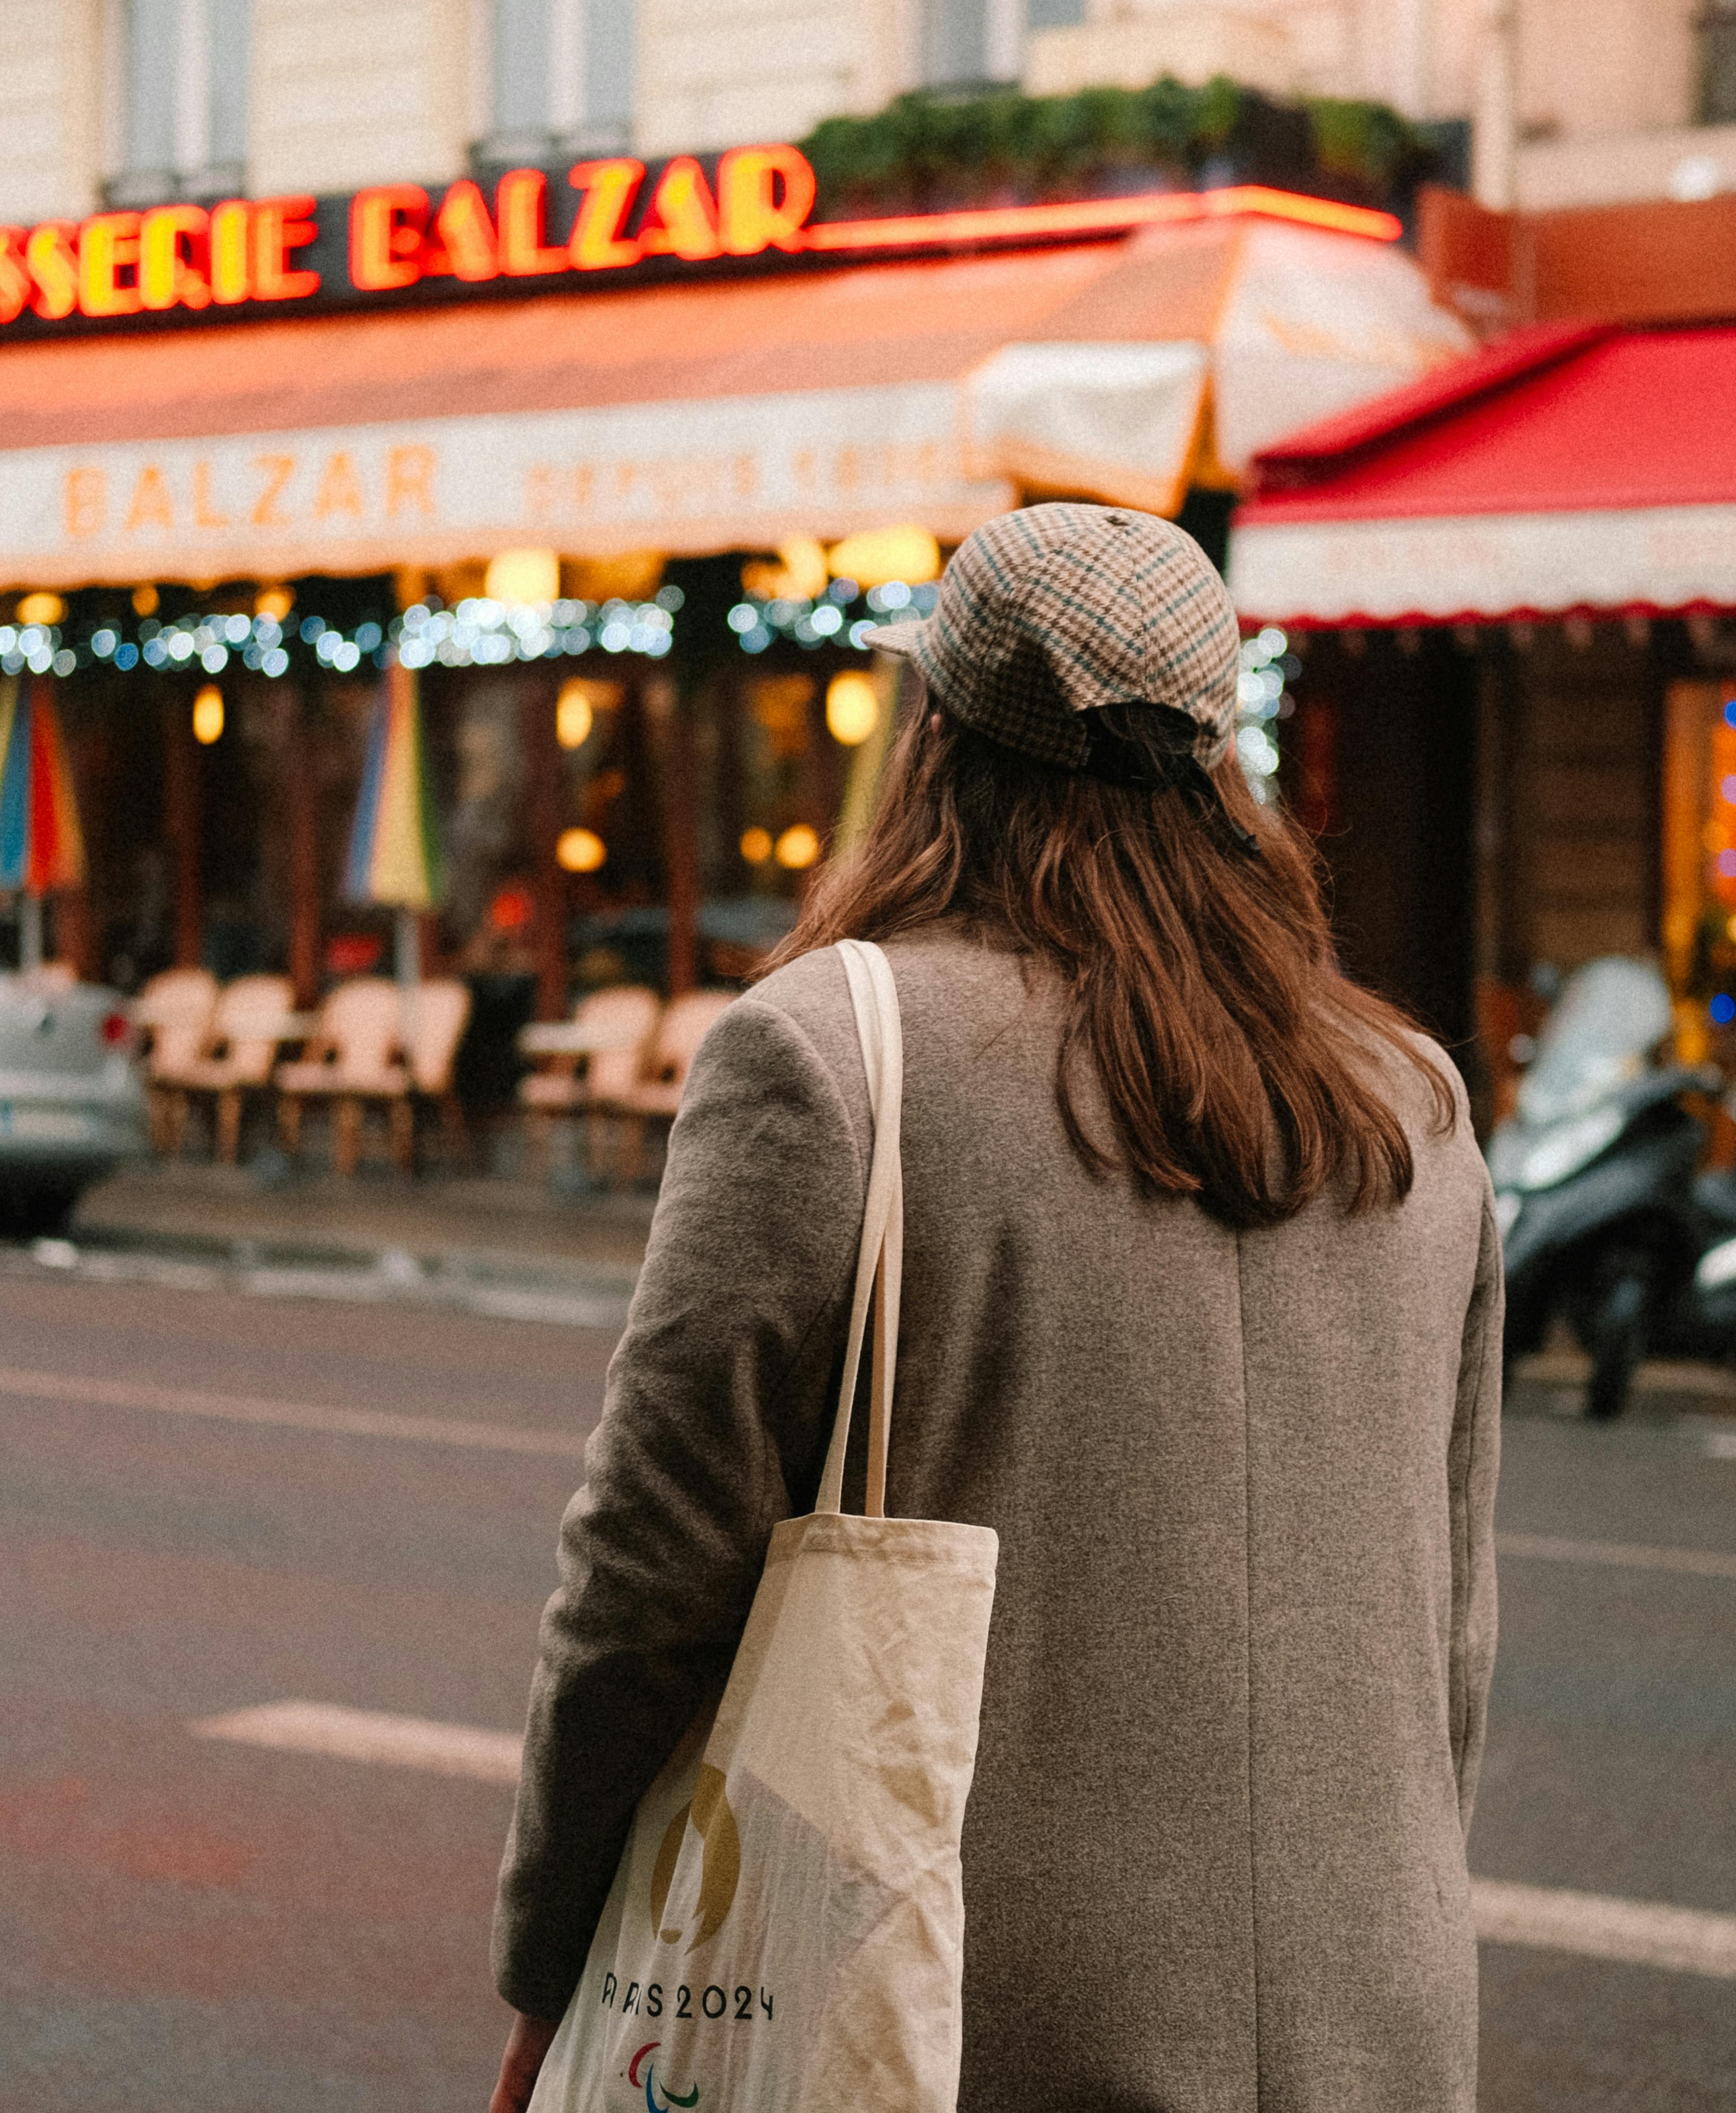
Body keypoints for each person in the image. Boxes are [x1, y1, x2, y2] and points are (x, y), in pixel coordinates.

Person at [490, 502, 1501, 2113]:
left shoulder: (834, 1053)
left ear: (938, 739)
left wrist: (557, 1961)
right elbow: (1450, 1620)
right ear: (1219, 764)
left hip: (965, 2004)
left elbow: (646, 1577)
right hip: (1377, 2003)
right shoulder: (1412, 1103)